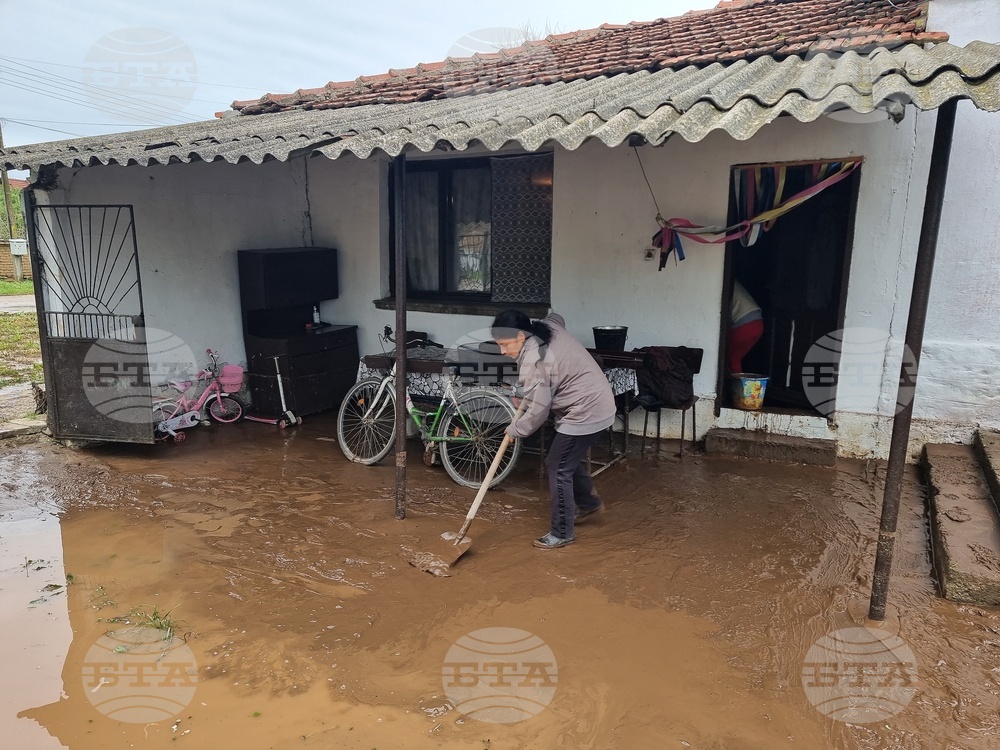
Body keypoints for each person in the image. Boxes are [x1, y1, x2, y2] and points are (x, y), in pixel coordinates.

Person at [491, 309, 616, 549]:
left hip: (586, 410)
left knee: (557, 466)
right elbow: (557, 316)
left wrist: (515, 429)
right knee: (562, 456)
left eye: (505, 344)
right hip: (598, 401)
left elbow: (539, 412)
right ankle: (588, 503)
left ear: (520, 336)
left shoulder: (533, 361)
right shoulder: (548, 327)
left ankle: (562, 533)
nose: (502, 351)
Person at [728, 280, 764, 374]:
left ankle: (737, 386)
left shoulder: (723, 280)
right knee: (734, 358)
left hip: (744, 325)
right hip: (757, 323)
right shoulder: (733, 282)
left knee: (730, 358)